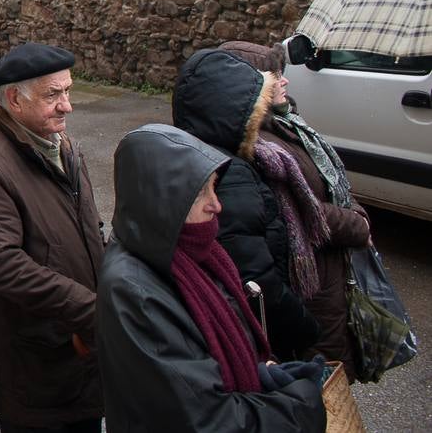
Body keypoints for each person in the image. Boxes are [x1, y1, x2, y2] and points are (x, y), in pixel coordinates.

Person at [98, 125, 327, 432]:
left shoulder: (193, 253)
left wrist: (261, 372)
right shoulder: (136, 293)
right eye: (201, 192)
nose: (216, 204)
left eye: (214, 188)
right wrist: (302, 407)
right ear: (164, 200)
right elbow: (205, 419)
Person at [0, 43, 104, 433]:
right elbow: (1, 264)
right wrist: (87, 307)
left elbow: (88, 228)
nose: (67, 106)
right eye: (53, 95)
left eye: (68, 91)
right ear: (13, 99)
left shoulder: (60, 144)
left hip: (78, 352)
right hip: (37, 365)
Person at [219, 41, 371, 376]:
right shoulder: (256, 147)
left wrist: (350, 204)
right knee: (323, 382)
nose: (285, 81)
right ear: (251, 87)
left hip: (328, 278)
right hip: (311, 286)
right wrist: (356, 224)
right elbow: (300, 213)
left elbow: (326, 184)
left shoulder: (284, 125)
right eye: (274, 76)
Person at [173, 49, 321, 361]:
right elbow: (254, 275)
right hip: (259, 334)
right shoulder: (230, 173)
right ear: (235, 109)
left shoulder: (197, 154)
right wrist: (304, 328)